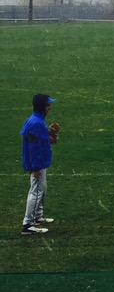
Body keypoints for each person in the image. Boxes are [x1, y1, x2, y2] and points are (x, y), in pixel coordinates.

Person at [21, 94, 59, 235]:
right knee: (36, 192)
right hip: (37, 164)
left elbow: (40, 141)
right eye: (48, 105)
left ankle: (37, 217)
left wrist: (50, 136)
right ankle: (28, 224)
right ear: (43, 107)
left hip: (41, 162)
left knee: (41, 189)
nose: (50, 107)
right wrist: (35, 167)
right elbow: (33, 147)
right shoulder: (36, 123)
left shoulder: (37, 121)